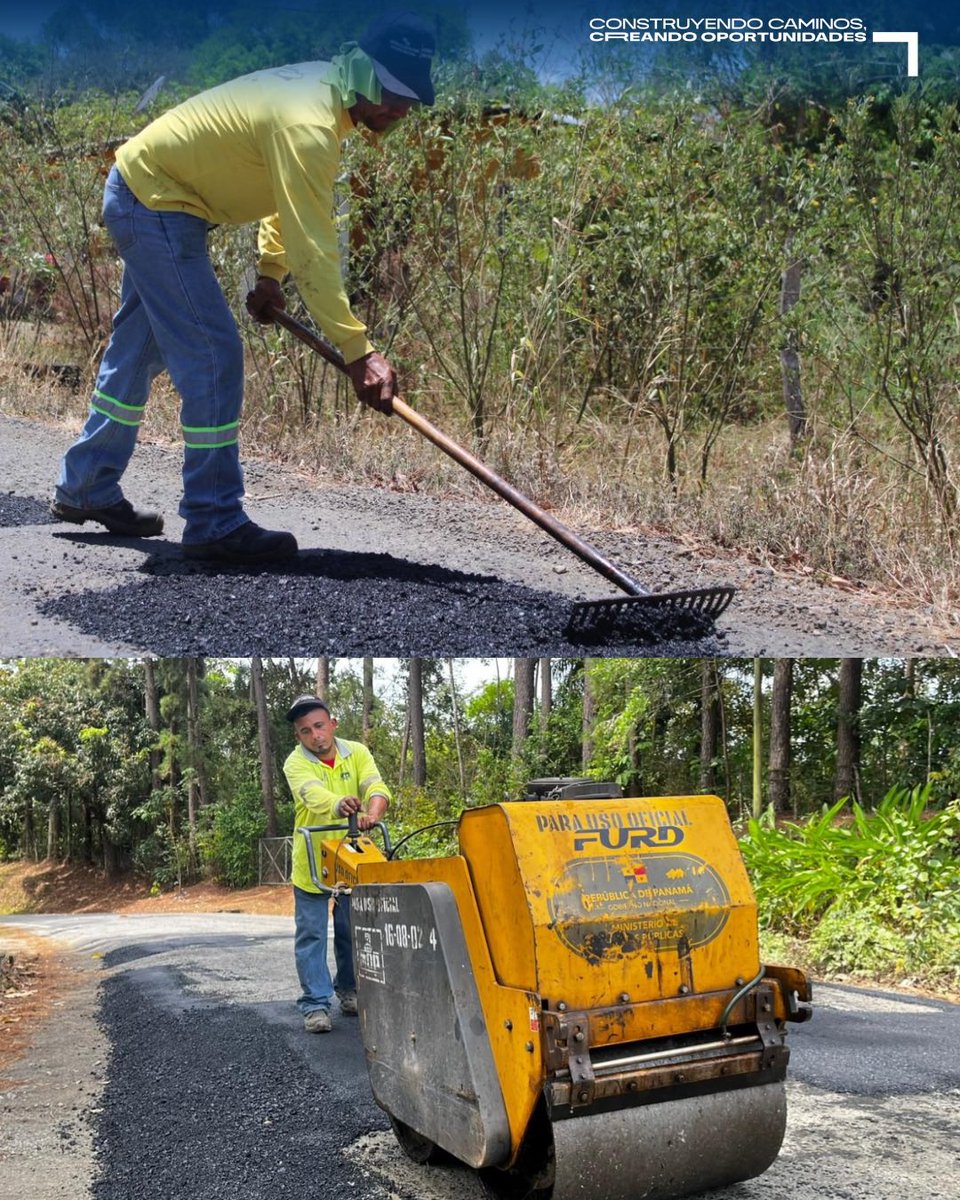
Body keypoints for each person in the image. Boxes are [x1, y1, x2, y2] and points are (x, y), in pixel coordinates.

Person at [51, 12, 436, 564]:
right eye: (394, 93)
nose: (401, 109)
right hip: (156, 204)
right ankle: (214, 519)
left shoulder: (322, 100)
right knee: (214, 356)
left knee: (136, 354)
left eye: (411, 99)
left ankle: (86, 484)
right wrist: (358, 349)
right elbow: (314, 248)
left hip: (151, 196)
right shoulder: (308, 120)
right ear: (363, 73)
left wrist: (270, 274)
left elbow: (288, 197)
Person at [283, 693, 391, 1033]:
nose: (315, 736)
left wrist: (373, 813)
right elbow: (311, 794)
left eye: (319, 726)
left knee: (351, 929)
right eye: (305, 731)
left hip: (350, 860)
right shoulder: (294, 763)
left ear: (333, 724)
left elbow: (375, 785)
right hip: (313, 862)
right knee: (312, 935)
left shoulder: (356, 752)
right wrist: (339, 804)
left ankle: (349, 989)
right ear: (298, 736)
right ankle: (315, 1004)